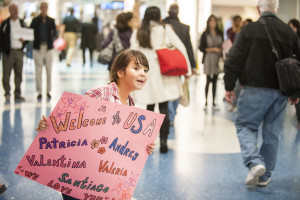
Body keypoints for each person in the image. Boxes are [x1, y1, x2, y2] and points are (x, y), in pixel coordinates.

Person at [35, 49, 155, 200]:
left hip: (102, 177)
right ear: (120, 73)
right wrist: (49, 127)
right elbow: (71, 126)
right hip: (80, 178)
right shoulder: (101, 94)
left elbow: (121, 144)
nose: (143, 73)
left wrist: (142, 147)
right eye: (136, 68)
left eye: (145, 70)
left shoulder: (131, 105)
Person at [224, 0, 300, 187]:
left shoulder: (250, 31)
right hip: (281, 92)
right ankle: (265, 176)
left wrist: (229, 85)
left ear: (259, 9)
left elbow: (234, 58)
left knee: (245, 126)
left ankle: (254, 162)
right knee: (272, 132)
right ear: (276, 9)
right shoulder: (289, 32)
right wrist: (295, 90)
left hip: (254, 89)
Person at [130, 6, 191, 153]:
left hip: (146, 73)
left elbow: (132, 51)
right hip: (163, 72)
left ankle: (148, 142)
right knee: (163, 107)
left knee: (150, 109)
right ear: (158, 17)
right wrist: (187, 69)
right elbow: (181, 47)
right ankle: (164, 142)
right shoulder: (165, 29)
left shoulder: (139, 31)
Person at [162, 3, 196, 126]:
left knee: (167, 88)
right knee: (178, 88)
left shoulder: (163, 26)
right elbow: (189, 48)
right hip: (180, 63)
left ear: (168, 12)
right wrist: (192, 65)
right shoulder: (184, 28)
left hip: (165, 63)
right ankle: (172, 113)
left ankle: (169, 114)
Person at [0, 3, 27, 103]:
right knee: (6, 73)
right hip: (8, 52)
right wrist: (4, 49)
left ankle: (17, 93)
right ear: (10, 11)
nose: (15, 11)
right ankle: (7, 92)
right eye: (13, 9)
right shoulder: (5, 23)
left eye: (16, 9)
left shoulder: (21, 22)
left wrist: (25, 41)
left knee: (19, 73)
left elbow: (28, 34)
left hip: (19, 51)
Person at [30, 2, 57, 100]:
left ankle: (48, 91)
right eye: (42, 7)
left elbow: (55, 34)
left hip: (48, 48)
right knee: (38, 70)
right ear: (40, 8)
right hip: (38, 48)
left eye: (45, 7)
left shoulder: (51, 20)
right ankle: (39, 91)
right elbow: (30, 32)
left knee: (49, 70)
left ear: (47, 8)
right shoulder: (35, 20)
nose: (44, 9)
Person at [199, 15, 223, 110]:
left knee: (215, 81)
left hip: (217, 58)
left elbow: (222, 45)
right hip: (208, 58)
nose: (213, 23)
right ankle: (205, 102)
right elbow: (201, 47)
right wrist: (213, 49)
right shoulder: (205, 34)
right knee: (208, 80)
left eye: (214, 21)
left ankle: (213, 102)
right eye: (211, 21)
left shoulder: (219, 33)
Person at [288, 18, 300, 130]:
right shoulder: (287, 41)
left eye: (293, 27)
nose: (292, 29)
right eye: (290, 27)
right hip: (291, 74)